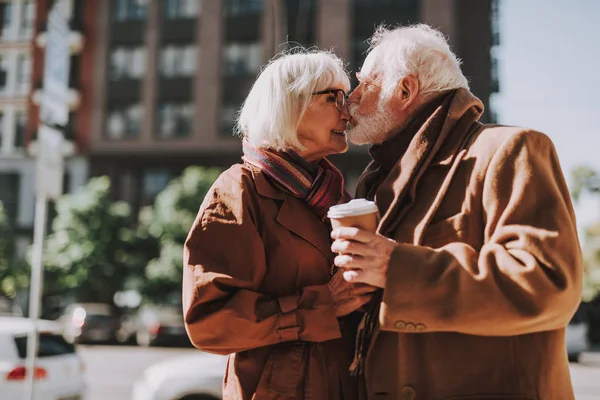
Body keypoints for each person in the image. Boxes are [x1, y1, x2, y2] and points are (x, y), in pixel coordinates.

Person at [330, 24, 583, 400]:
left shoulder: (510, 149)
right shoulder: (374, 181)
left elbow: (547, 284)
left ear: (404, 90)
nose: (351, 99)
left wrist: (396, 268)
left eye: (364, 83)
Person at [182, 49, 373, 400]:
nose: (348, 109)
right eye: (334, 97)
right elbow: (210, 324)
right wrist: (322, 305)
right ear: (290, 104)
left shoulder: (337, 197)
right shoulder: (240, 189)